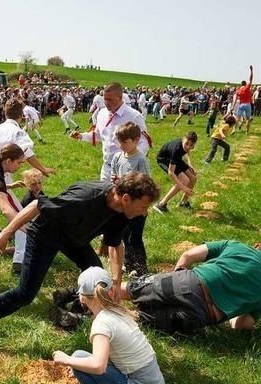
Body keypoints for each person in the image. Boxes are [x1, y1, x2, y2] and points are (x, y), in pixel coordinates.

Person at [0, 172, 159, 344]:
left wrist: (116, 281)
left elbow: (115, 244)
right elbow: (37, 206)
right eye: (143, 206)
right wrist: (6, 232)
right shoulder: (86, 197)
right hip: (45, 234)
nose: (144, 213)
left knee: (96, 273)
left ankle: (72, 312)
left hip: (74, 238)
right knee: (25, 294)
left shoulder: (123, 212)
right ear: (125, 198)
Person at [53, 267, 173, 384]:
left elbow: (98, 366)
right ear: (110, 291)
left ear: (82, 298)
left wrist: (66, 360)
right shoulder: (118, 311)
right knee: (80, 357)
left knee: (77, 360)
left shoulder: (102, 324)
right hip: (152, 383)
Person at [0, 98, 56, 274]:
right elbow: (28, 154)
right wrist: (43, 169)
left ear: (4, 112)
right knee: (19, 217)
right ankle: (19, 259)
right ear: (21, 115)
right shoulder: (17, 133)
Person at [121, 240, 261, 334]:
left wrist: (176, 279)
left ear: (257, 246)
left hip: (189, 282)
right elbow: (242, 326)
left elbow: (188, 256)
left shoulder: (237, 246)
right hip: (201, 316)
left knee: (128, 290)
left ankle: (101, 293)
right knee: (137, 317)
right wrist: (234, 311)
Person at [71, 82, 151, 182]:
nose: (106, 103)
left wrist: (132, 162)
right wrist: (81, 136)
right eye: (105, 99)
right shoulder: (102, 114)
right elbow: (98, 135)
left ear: (120, 98)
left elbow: (144, 142)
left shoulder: (134, 116)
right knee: (105, 196)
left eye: (110, 99)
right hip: (107, 168)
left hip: (126, 169)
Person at [110, 122, 151, 275]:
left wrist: (144, 208)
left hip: (137, 208)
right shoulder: (117, 157)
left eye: (125, 142)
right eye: (120, 142)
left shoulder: (141, 160)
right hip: (123, 207)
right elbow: (114, 178)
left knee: (135, 237)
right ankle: (128, 263)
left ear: (136, 140)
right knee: (124, 236)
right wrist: (116, 180)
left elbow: (147, 185)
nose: (122, 145)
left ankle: (140, 267)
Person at [153, 131, 198, 213]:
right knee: (185, 181)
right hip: (164, 160)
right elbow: (171, 172)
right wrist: (183, 187)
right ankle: (161, 205)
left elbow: (188, 151)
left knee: (193, 178)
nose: (188, 147)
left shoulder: (186, 145)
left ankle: (183, 203)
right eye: (187, 143)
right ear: (183, 139)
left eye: (191, 145)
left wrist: (189, 164)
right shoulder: (176, 149)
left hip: (176, 159)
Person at [232, 66, 253, 134]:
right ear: (246, 84)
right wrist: (251, 70)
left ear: (241, 84)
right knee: (247, 119)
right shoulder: (247, 88)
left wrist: (233, 106)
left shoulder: (238, 90)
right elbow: (251, 79)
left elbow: (235, 99)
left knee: (237, 118)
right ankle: (247, 132)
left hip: (241, 105)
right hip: (248, 105)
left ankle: (234, 129)